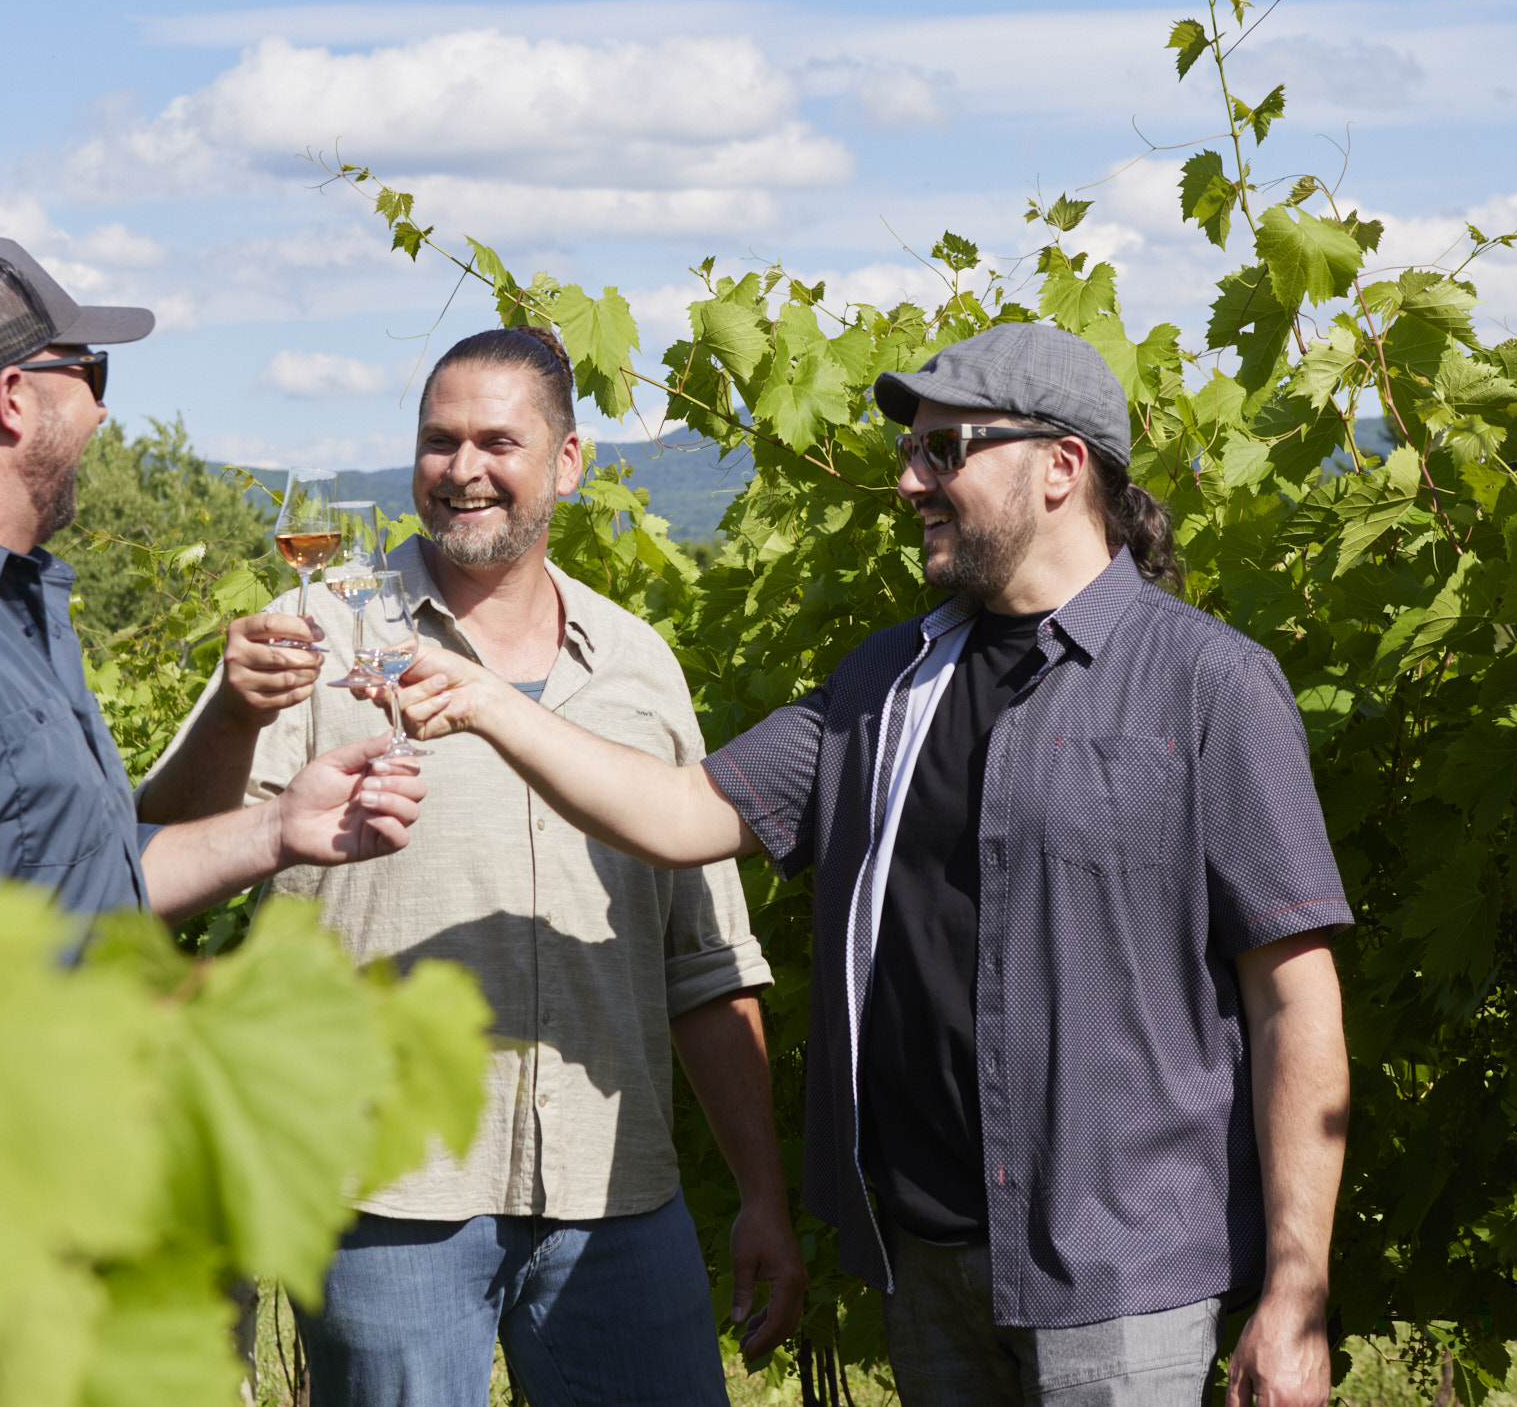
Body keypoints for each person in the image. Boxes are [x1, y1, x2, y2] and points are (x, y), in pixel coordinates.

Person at [391, 323, 1354, 1407]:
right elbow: (675, 811)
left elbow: (1293, 1000)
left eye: (944, 450)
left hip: (1122, 1274)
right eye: (912, 451)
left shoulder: (1208, 684)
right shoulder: (885, 683)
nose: (909, 479)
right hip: (928, 1262)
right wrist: (482, 704)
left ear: (1060, 466)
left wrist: (1294, 1290)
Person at [139, 327, 804, 1406]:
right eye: (437, 440)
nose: (462, 469)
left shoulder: (637, 662)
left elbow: (708, 959)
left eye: (498, 440)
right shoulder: (316, 633)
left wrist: (761, 1195)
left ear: (569, 461)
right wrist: (229, 709)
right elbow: (157, 850)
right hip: (379, 1197)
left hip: (616, 1191)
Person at [0, 237, 426, 928]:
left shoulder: (0, 605)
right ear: (13, 398)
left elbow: (84, 880)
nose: (101, 413)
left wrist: (281, 828)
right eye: (90, 374)